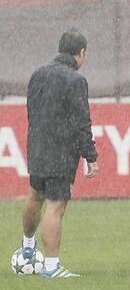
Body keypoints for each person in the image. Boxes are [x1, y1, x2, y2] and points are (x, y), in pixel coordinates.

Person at [21, 29, 99, 278]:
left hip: (36, 146)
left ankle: (27, 248)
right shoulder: (76, 81)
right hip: (60, 152)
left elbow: (31, 109)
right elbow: (81, 122)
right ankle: (52, 267)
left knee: (35, 196)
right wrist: (91, 156)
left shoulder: (38, 74)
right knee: (56, 206)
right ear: (82, 52)